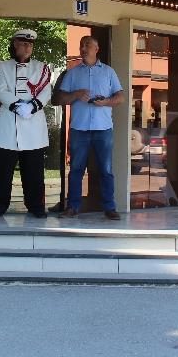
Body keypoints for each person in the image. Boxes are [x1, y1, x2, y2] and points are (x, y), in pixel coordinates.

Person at [55, 35, 125, 220]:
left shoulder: (109, 72)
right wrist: (77, 94)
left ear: (96, 49)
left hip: (103, 129)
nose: (83, 49)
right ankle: (72, 207)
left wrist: (106, 101)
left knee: (105, 170)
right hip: (79, 128)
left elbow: (121, 98)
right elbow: (60, 99)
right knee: (76, 169)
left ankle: (109, 208)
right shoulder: (73, 73)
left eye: (87, 45)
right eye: (81, 46)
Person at [0, 28, 53, 218]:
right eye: (24, 44)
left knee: (34, 170)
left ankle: (36, 206)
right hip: (9, 124)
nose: (27, 48)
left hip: (33, 125)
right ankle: (0, 204)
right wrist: (18, 106)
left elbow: (46, 91)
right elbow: (0, 90)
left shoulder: (41, 68)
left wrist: (32, 107)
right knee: (4, 170)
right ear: (15, 44)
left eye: (30, 45)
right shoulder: (2, 67)